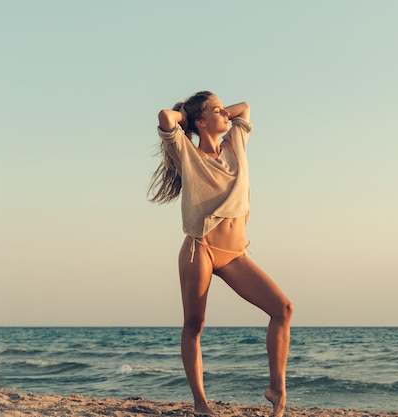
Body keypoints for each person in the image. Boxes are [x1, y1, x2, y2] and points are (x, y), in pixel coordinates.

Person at [148, 91, 293, 417]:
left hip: (233, 254)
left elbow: (244, 108)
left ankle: (276, 387)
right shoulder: (187, 152)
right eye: (216, 110)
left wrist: (217, 112)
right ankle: (200, 403)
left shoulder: (235, 144)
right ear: (200, 121)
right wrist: (188, 116)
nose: (225, 114)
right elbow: (164, 117)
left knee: (283, 309)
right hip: (199, 249)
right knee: (195, 325)